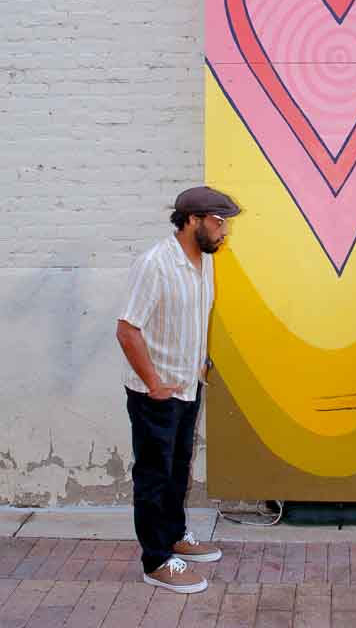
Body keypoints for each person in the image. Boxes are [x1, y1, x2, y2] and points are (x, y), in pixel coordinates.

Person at [116, 185, 241, 594]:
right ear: (192, 220)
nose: (224, 232)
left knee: (176, 470)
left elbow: (193, 316)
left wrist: (202, 361)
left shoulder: (204, 262)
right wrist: (153, 383)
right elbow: (127, 329)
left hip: (188, 387)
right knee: (153, 476)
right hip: (157, 394)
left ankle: (173, 537)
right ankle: (155, 561)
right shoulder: (155, 264)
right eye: (218, 222)